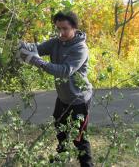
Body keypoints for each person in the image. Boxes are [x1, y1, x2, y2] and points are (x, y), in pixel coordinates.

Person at [17, 10, 94, 167]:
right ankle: (61, 159)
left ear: (74, 28)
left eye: (64, 29)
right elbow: (36, 48)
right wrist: (20, 45)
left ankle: (87, 165)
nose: (61, 33)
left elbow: (64, 71)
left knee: (79, 138)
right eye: (58, 28)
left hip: (79, 100)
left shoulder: (80, 48)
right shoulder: (56, 42)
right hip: (63, 98)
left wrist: (37, 61)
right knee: (60, 129)